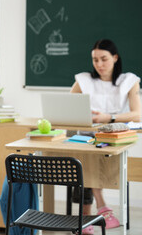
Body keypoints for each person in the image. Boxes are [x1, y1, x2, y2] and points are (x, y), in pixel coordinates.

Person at [70, 39, 141, 234]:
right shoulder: (84, 80)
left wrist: (108, 117)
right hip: (86, 137)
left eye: (104, 59)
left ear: (115, 58)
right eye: (95, 60)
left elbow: (137, 113)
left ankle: (86, 218)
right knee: (83, 158)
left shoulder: (128, 81)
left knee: (86, 163)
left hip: (113, 138)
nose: (99, 65)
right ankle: (100, 211)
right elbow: (67, 106)